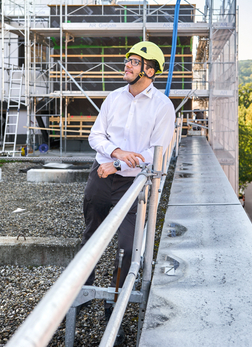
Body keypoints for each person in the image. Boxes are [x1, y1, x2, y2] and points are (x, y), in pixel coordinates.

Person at [80, 41, 175, 343]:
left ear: (149, 70)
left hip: (133, 185)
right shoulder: (113, 98)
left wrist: (119, 166)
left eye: (134, 62)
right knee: (91, 233)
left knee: (126, 248)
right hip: (100, 175)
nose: (127, 65)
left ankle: (114, 306)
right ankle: (82, 290)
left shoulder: (163, 107)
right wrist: (116, 153)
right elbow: (96, 135)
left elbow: (156, 154)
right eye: (128, 61)